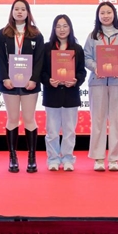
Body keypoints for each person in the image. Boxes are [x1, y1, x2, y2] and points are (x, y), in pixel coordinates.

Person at [84, 2, 118, 172]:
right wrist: (96, 68)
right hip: (97, 82)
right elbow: (86, 57)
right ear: (98, 16)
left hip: (117, 82)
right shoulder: (92, 36)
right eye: (102, 13)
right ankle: (98, 158)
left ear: (114, 14)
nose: (105, 16)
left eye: (108, 12)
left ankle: (114, 158)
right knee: (97, 121)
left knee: (115, 121)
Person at [0, 0, 44, 173]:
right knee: (12, 118)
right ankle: (13, 157)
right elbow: (0, 58)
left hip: (29, 84)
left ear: (28, 12)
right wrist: (4, 78)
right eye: (16, 9)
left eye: (23, 9)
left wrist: (34, 79)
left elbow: (39, 60)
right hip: (9, 83)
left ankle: (32, 158)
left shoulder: (36, 34)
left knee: (30, 119)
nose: (19, 12)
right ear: (12, 12)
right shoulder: (3, 34)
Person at [41, 15, 87, 171]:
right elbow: (41, 71)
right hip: (52, 95)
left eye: (65, 26)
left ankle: (68, 158)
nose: (62, 29)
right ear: (54, 29)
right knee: (52, 131)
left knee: (69, 131)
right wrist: (48, 81)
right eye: (58, 26)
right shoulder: (47, 48)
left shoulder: (77, 49)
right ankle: (53, 159)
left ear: (70, 28)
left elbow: (82, 72)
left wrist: (76, 80)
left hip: (71, 95)